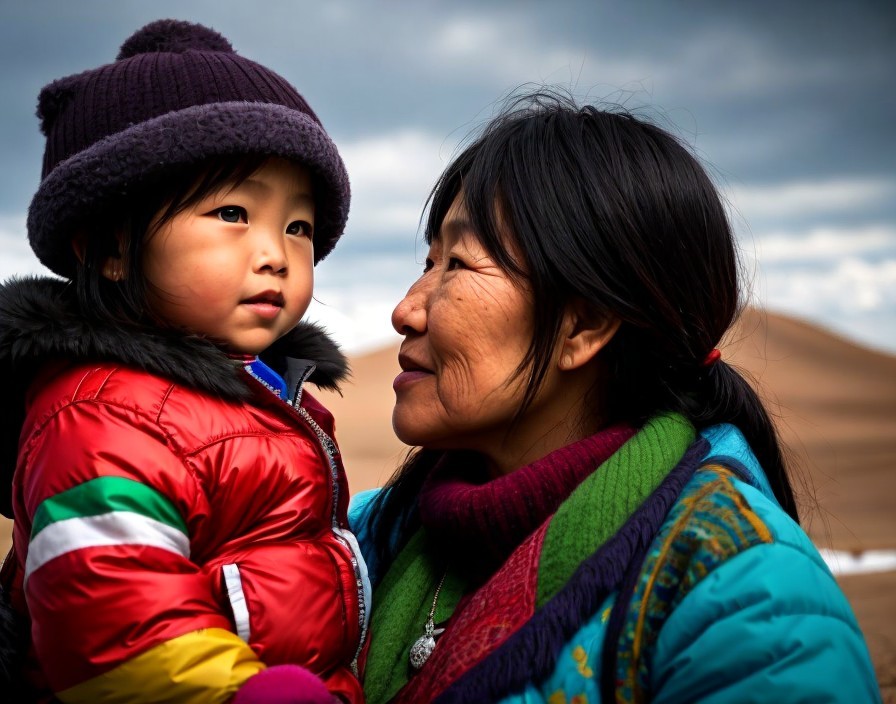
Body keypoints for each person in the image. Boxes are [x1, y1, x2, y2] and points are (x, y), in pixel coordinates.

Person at [349, 92, 881, 703]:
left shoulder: (747, 604)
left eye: (459, 265)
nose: (405, 310)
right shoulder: (364, 541)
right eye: (427, 259)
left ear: (583, 326)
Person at [0, 19, 369, 704]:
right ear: (108, 248)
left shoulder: (269, 395)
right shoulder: (103, 416)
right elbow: (111, 618)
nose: (276, 253)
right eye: (233, 212)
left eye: (298, 226)